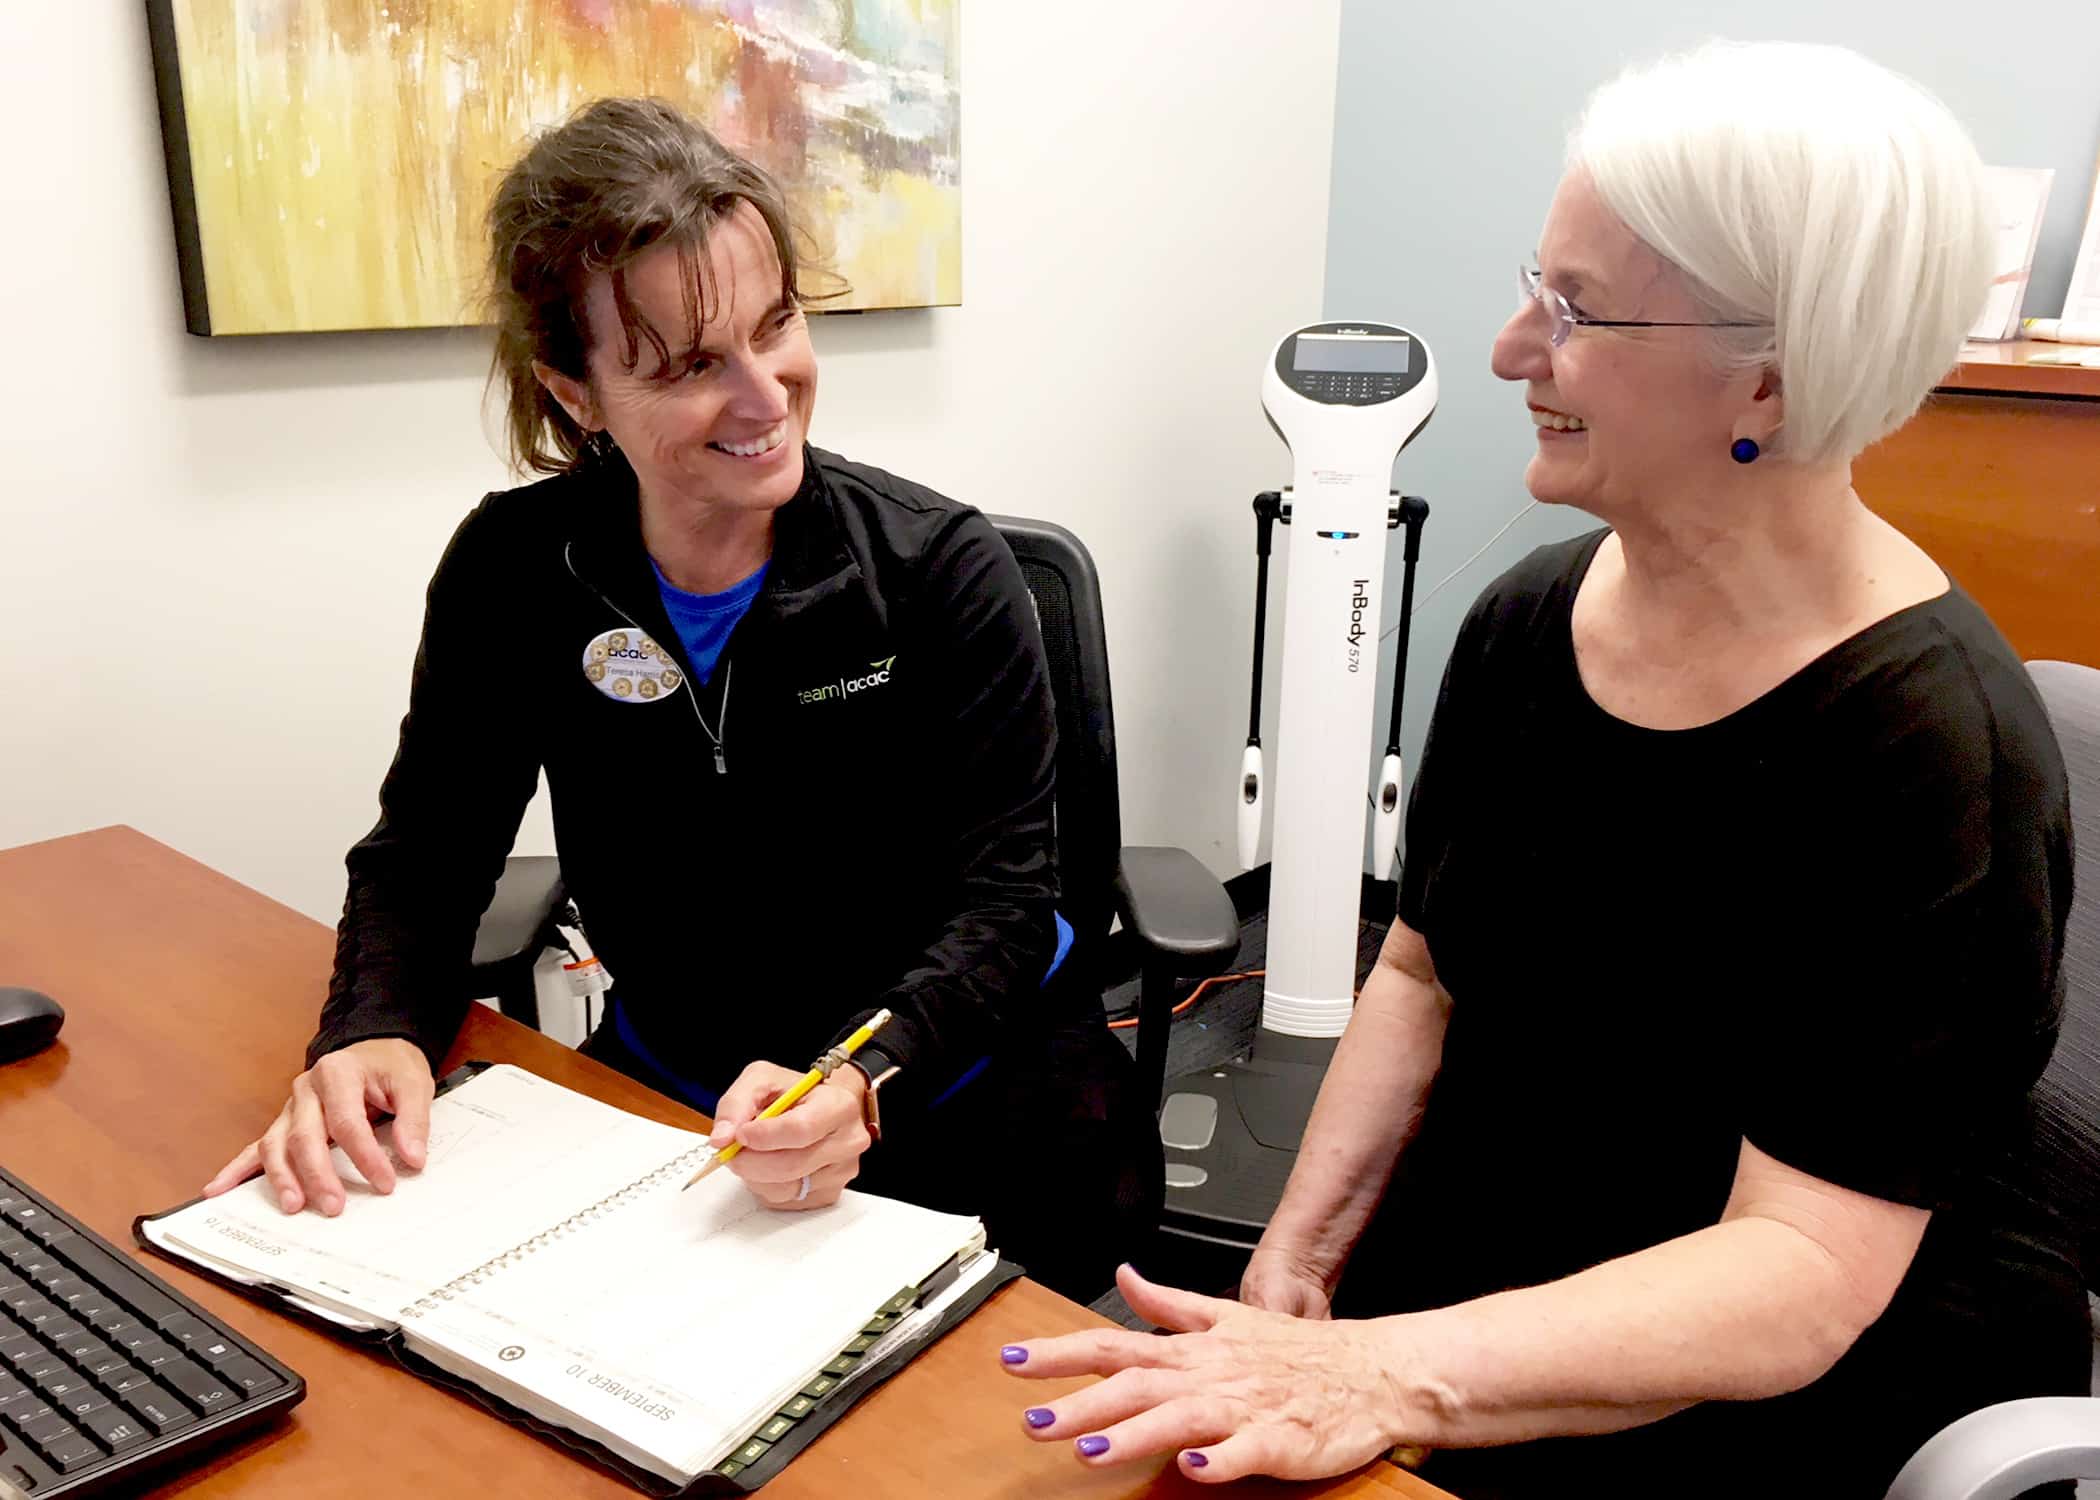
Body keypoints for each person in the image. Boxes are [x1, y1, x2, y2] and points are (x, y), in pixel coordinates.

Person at [1001, 41, 2086, 1494]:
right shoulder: (1529, 620)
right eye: (1537, 285)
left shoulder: (1938, 749)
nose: (1513, 349)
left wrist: (1380, 1372)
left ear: (1772, 375)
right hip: (1479, 1294)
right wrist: (1296, 1270)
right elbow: (1418, 972)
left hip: (1747, 1380)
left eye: (1575, 311)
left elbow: (1804, 1267)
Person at [204, 97, 1159, 1302]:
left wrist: (859, 1079)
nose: (767, 398)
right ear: (576, 392)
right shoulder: (517, 572)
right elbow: (429, 850)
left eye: (777, 325)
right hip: (674, 1093)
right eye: (695, 365)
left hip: (954, 1085)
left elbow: (1009, 905)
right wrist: (372, 1027)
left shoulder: (938, 570)